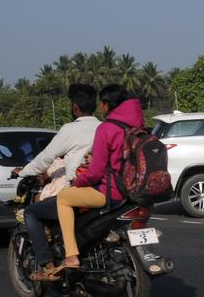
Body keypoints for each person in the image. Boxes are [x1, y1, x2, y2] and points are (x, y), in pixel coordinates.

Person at [51, 84, 144, 276]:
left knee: (64, 198)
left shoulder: (107, 128)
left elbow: (95, 172)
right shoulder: (138, 126)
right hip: (135, 190)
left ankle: (71, 255)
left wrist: (78, 181)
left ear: (106, 105)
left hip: (112, 192)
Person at [11, 83, 100, 281]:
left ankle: (47, 266)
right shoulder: (103, 127)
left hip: (79, 191)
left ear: (75, 107)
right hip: (104, 190)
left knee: (32, 213)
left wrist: (24, 171)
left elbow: (46, 158)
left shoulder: (70, 129)